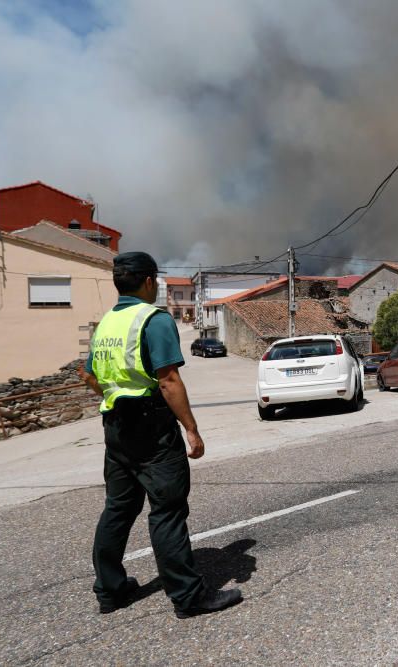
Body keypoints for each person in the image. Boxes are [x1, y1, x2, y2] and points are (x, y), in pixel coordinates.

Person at [82, 251, 242, 618]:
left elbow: (88, 373)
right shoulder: (153, 320)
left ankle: (110, 590)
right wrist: (192, 429)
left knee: (118, 510)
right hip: (151, 430)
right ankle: (188, 597)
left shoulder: (105, 323)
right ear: (149, 281)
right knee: (167, 511)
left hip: (115, 429)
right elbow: (168, 381)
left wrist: (113, 397)